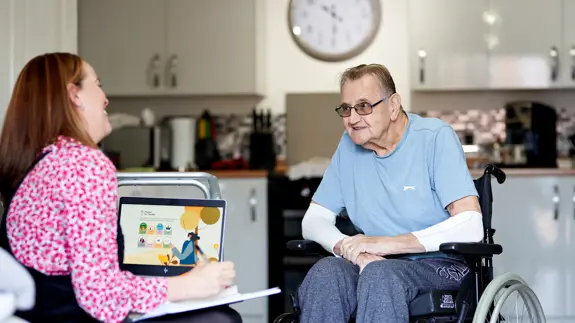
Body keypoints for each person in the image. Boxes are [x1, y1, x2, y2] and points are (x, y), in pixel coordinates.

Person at [0, 53, 241, 323]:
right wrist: (189, 285)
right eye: (98, 84)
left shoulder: (43, 161)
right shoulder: (82, 164)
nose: (105, 99)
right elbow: (101, 298)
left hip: (42, 313)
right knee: (221, 318)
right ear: (74, 95)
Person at [297, 64, 483, 323]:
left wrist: (383, 244)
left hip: (439, 265)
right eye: (346, 109)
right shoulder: (349, 147)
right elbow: (313, 220)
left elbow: (471, 225)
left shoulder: (434, 138)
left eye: (363, 106)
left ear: (393, 105)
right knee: (327, 272)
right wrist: (353, 251)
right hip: (374, 263)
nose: (352, 118)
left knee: (380, 275)